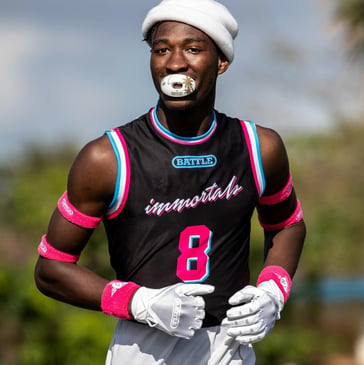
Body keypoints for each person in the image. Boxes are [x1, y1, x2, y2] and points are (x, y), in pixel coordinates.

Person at [34, 0, 306, 364]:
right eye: (162, 50)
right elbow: (50, 269)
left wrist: (273, 290)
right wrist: (137, 301)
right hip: (142, 348)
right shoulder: (107, 158)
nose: (175, 63)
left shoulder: (260, 148)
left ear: (221, 62)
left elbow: (288, 225)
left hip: (228, 348)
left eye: (193, 49)